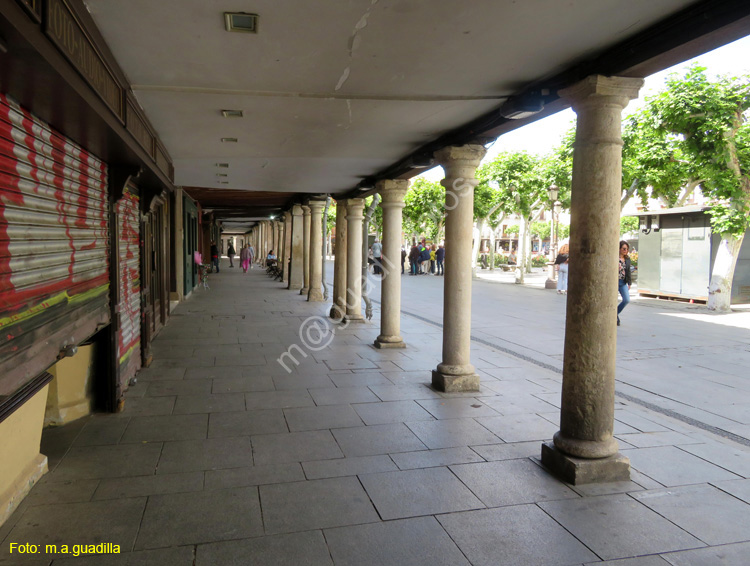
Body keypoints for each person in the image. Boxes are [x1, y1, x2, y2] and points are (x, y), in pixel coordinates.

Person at [617, 240, 633, 326]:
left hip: (623, 282)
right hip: (614, 282)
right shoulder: (614, 257)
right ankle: (614, 317)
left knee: (626, 300)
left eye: (626, 249)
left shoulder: (627, 259)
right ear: (619, 249)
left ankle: (615, 314)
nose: (625, 250)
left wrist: (629, 283)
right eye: (623, 248)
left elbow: (628, 271)